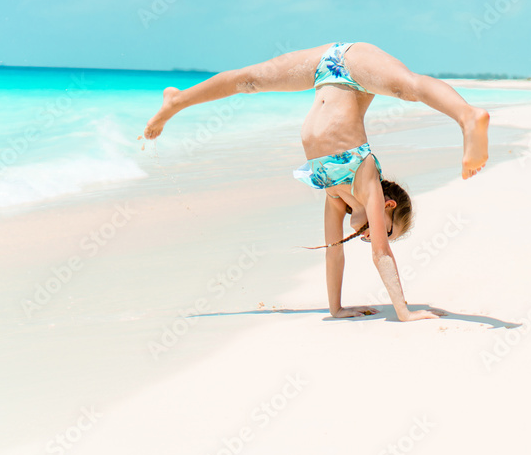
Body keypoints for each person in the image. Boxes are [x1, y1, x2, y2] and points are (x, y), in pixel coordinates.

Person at [143, 42, 490, 322]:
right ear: (387, 205)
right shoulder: (365, 178)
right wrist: (404, 311)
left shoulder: (335, 194)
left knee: (249, 81)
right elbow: (379, 253)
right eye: (386, 229)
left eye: (375, 234)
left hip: (325, 68)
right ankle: (467, 117)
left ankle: (176, 100)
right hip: (355, 61)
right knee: (405, 86)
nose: (373, 236)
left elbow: (334, 253)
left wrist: (336, 308)